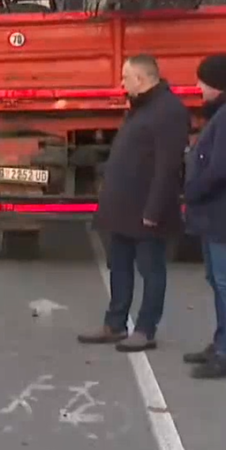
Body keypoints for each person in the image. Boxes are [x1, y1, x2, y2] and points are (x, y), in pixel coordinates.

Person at [78, 55, 190, 352]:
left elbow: (167, 166)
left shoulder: (169, 111)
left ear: (141, 79)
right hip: (122, 207)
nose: (122, 83)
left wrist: (154, 210)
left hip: (146, 209)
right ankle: (114, 324)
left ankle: (145, 329)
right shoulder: (141, 107)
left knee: (151, 270)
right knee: (119, 266)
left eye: (126, 77)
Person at [182, 54, 226, 379]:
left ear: (217, 83)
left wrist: (194, 189)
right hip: (218, 213)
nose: (199, 87)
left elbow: (223, 166)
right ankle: (222, 343)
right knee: (219, 282)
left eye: (203, 82)